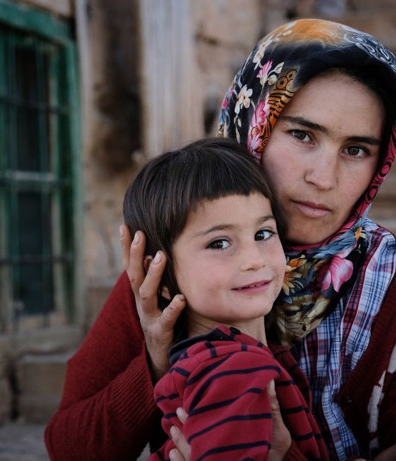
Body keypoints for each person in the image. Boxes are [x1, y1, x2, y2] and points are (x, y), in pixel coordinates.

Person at [45, 18, 396, 461]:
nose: (323, 178)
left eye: (355, 150)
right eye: (303, 135)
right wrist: (157, 360)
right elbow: (69, 447)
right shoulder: (178, 274)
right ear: (254, 124)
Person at [121, 137, 329, 460]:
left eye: (263, 234)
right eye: (219, 243)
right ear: (159, 273)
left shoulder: (243, 357)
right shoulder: (232, 371)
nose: (254, 260)